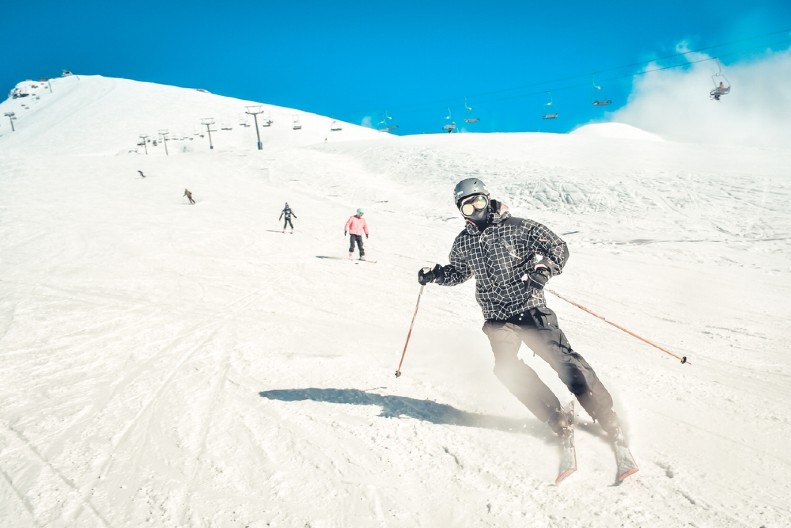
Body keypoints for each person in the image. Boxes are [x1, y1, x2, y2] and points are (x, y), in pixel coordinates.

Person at [417, 178, 626, 445]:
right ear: (461, 210)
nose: (476, 210)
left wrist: (544, 269)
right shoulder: (463, 243)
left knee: (563, 361)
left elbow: (557, 246)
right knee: (506, 369)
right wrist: (436, 274)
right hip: (496, 317)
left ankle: (607, 417)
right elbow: (459, 272)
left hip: (530, 308)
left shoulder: (518, 227)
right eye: (468, 207)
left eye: (479, 202)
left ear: (488, 199)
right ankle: (555, 418)